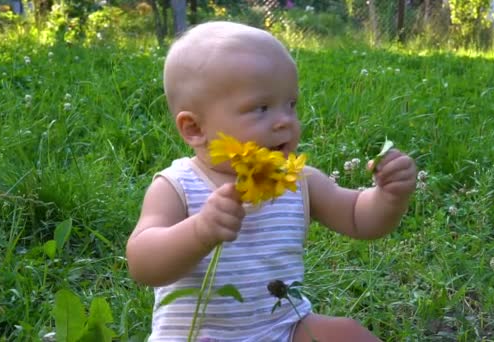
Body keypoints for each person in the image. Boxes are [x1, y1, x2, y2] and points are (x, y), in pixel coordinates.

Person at [126, 21, 417, 342]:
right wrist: (199, 231)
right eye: (261, 108)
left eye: (291, 105)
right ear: (194, 128)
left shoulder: (298, 180)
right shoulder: (177, 186)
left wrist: (389, 196)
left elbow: (359, 218)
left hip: (281, 331)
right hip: (199, 336)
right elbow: (142, 263)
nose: (285, 122)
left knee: (346, 333)